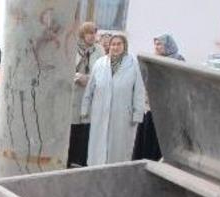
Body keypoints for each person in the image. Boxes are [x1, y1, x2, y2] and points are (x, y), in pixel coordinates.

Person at [81, 33, 145, 166]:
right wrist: (84, 109)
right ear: (109, 46)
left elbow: (139, 91)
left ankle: (116, 174)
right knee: (97, 147)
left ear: (124, 46)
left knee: (118, 149)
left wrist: (137, 114)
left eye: (119, 44)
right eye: (113, 44)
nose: (115, 47)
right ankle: (95, 172)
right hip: (100, 112)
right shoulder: (100, 63)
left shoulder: (133, 64)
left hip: (122, 115)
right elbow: (90, 88)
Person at [132, 33, 184, 161]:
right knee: (146, 137)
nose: (157, 47)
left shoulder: (178, 61)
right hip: (150, 105)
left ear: (168, 45)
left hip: (166, 109)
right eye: (155, 44)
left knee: (158, 138)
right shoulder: (154, 60)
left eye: (160, 44)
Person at [67, 21, 103, 168]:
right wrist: (77, 76)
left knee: (85, 126)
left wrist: (89, 79)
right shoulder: (72, 47)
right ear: (82, 34)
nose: (92, 36)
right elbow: (65, 66)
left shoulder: (99, 50)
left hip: (89, 91)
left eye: (94, 33)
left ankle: (80, 160)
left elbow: (101, 70)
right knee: (72, 126)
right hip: (73, 91)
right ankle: (68, 158)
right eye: (89, 33)